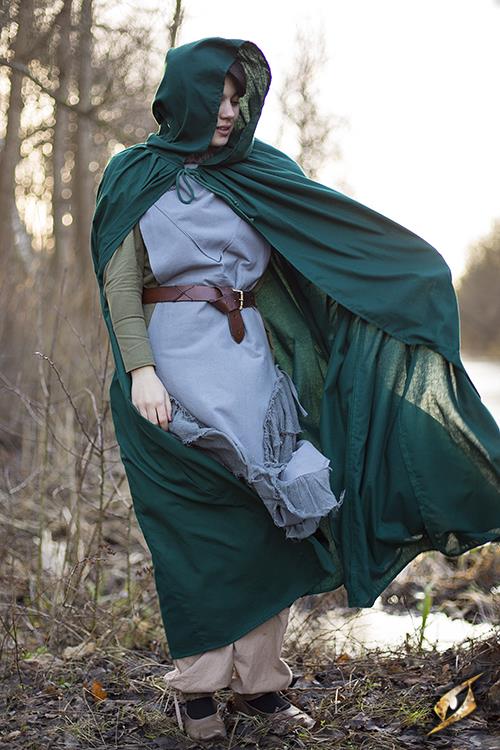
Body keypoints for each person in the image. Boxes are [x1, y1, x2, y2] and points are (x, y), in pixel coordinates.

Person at [91, 37, 500, 742]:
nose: (229, 110)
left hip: (255, 366)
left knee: (275, 520)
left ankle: (260, 685)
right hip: (172, 364)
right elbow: (120, 282)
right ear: (182, 95)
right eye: (216, 95)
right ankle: (196, 690)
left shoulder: (263, 171)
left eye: (237, 97)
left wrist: (410, 280)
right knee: (197, 528)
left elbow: (323, 249)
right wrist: (140, 370)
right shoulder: (133, 174)